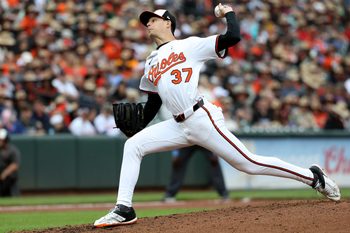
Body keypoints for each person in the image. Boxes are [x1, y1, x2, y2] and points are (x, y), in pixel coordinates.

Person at [94, 4, 340, 228]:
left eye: (153, 19)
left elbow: (232, 37)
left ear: (168, 22)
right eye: (146, 21)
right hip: (177, 125)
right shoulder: (150, 62)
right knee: (133, 145)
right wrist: (138, 127)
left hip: (201, 117)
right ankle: (124, 208)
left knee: (248, 164)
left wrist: (229, 13)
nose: (147, 23)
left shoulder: (188, 45)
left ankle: (313, 177)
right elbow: (153, 101)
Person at [164, 146, 229, 202]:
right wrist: (175, 154)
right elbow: (177, 134)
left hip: (202, 138)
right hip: (189, 138)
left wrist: (215, 152)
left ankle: (224, 194)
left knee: (214, 162)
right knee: (178, 162)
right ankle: (170, 195)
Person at [0, 128, 21, 197]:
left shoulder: (12, 150)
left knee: (13, 198)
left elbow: (15, 165)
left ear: (6, 140)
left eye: (1, 140)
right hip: (1, 181)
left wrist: (5, 173)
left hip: (10, 180)